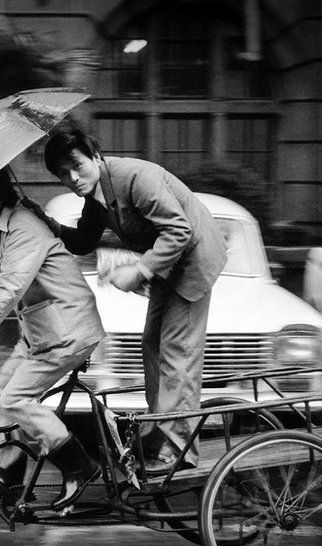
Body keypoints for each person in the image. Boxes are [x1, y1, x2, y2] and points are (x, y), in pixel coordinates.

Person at [24, 128, 227, 473]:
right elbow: (83, 242)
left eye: (76, 165)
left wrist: (139, 270)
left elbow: (180, 231)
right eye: (62, 173)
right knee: (152, 345)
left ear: (95, 156)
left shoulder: (135, 178)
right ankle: (157, 432)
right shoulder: (95, 198)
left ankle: (180, 451)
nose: (72, 178)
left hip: (192, 260)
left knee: (178, 354)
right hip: (169, 265)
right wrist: (42, 219)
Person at [0, 169, 106, 509]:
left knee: (14, 399)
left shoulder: (25, 229)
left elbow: (9, 285)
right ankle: (8, 483)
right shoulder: (0, 228)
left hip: (68, 331)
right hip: (42, 331)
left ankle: (80, 468)